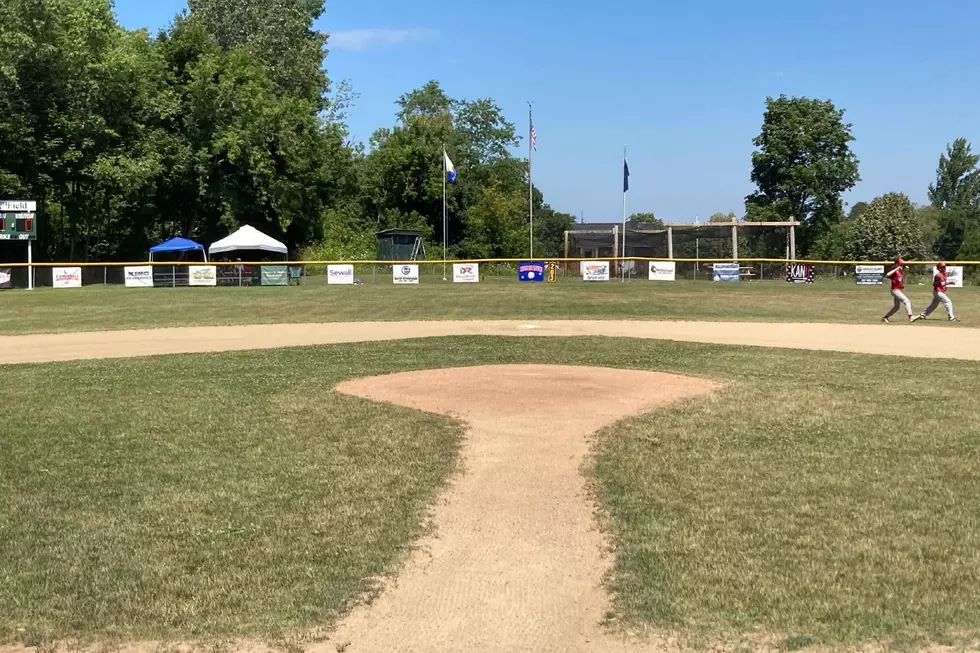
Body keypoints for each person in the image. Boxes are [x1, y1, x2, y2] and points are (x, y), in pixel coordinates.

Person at [882, 257, 917, 323]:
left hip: (898, 290)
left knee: (896, 307)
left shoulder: (900, 271)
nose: (901, 265)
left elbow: (901, 279)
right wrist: (896, 268)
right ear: (896, 264)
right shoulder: (894, 270)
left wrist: (906, 271)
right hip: (895, 290)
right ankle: (911, 317)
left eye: (901, 264)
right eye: (899, 264)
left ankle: (885, 318)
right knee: (906, 301)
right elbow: (887, 275)